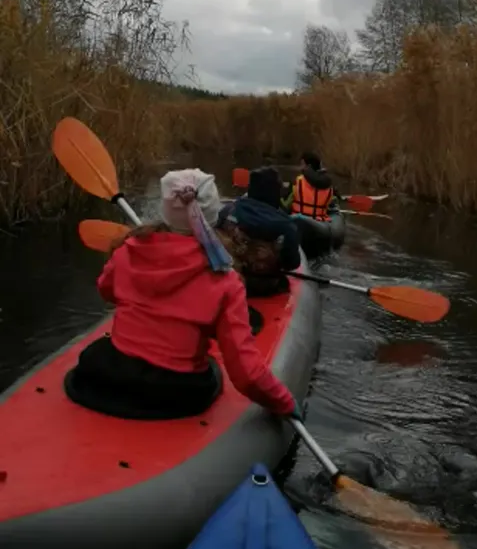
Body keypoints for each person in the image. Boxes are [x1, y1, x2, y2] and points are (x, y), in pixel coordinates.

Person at [64, 168, 298, 421]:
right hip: (175, 391)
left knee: (95, 353)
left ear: (166, 209)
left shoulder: (127, 251)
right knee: (212, 369)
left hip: (114, 372)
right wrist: (283, 401)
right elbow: (246, 372)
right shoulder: (226, 280)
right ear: (212, 215)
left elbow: (106, 290)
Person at [217, 165, 301, 297]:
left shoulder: (227, 211)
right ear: (274, 194)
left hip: (230, 282)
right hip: (264, 287)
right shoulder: (287, 226)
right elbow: (292, 263)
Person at [283, 151, 339, 221]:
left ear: (308, 166)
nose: (300, 168)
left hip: (298, 222)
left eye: (302, 164)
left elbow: (286, 205)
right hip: (320, 222)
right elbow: (334, 202)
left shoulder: (298, 182)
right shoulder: (329, 184)